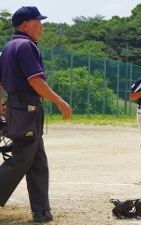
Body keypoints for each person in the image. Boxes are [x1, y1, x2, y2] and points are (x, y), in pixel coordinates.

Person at [0, 6, 72, 222]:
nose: (41, 26)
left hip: (17, 108)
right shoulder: (26, 46)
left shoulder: (8, 48)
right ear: (25, 25)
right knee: (22, 158)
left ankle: (41, 210)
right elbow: (35, 80)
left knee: (37, 159)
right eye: (38, 21)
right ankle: (41, 210)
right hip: (27, 110)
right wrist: (58, 100)